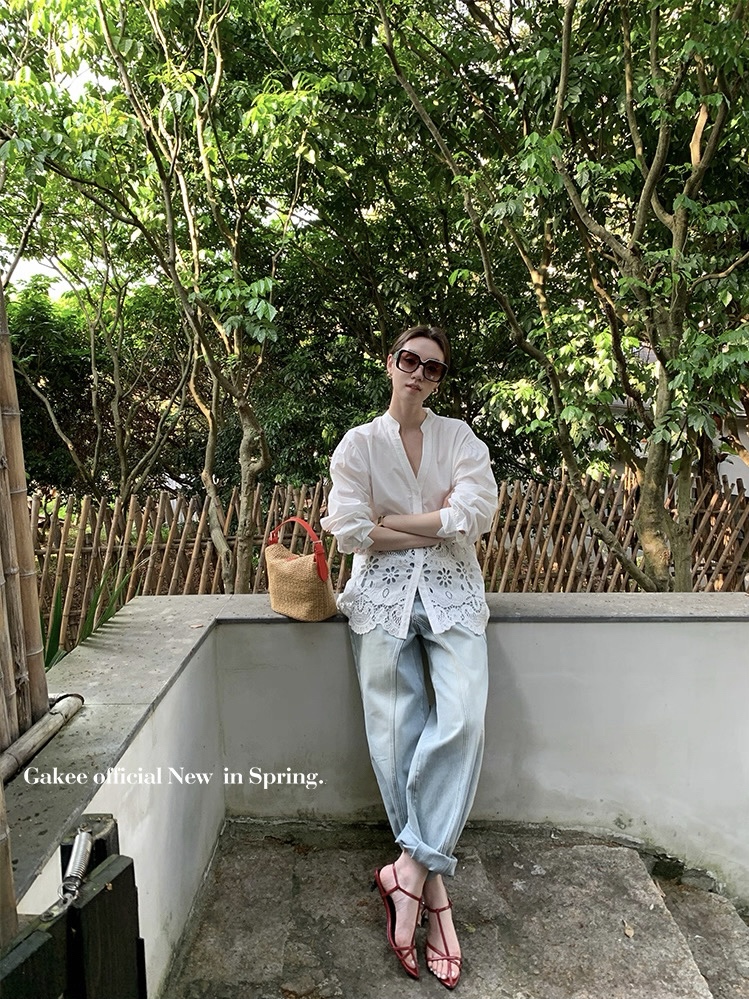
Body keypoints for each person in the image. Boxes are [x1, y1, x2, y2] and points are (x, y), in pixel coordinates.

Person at [320, 326, 498, 989]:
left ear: (439, 379)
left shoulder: (460, 439)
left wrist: (393, 522)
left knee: (464, 718)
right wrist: (433, 523)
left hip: (453, 595)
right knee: (395, 733)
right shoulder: (358, 444)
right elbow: (349, 530)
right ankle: (433, 898)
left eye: (433, 367)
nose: (418, 372)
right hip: (380, 598)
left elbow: (475, 513)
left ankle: (408, 872)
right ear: (389, 363)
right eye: (409, 360)